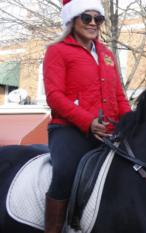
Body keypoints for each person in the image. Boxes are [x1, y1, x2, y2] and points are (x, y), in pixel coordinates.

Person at [43, 0, 131, 232]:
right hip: (68, 130)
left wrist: (133, 123)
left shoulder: (108, 54)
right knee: (65, 171)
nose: (93, 23)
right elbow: (54, 96)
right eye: (86, 18)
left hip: (109, 132)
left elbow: (119, 96)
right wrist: (88, 122)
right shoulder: (57, 51)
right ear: (72, 20)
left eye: (98, 19)